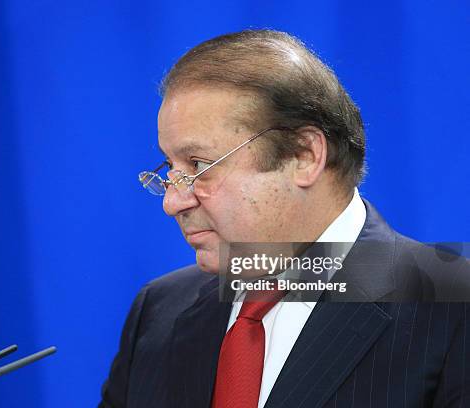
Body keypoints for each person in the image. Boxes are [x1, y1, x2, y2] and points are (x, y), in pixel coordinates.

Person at [99, 30, 470, 408]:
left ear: (304, 155)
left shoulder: (454, 309)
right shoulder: (158, 311)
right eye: (170, 168)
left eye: (198, 165)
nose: (173, 202)